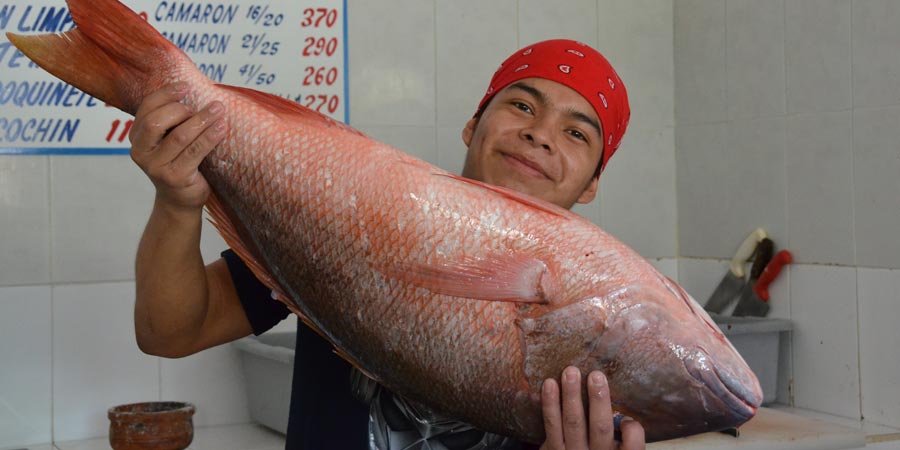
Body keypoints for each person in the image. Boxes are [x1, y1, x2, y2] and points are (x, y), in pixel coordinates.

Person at [130, 39, 646, 450]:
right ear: (473, 125)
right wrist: (177, 204)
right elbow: (171, 333)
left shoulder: (607, 327)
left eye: (577, 134)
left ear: (591, 184)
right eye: (521, 104)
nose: (540, 134)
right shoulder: (355, 212)